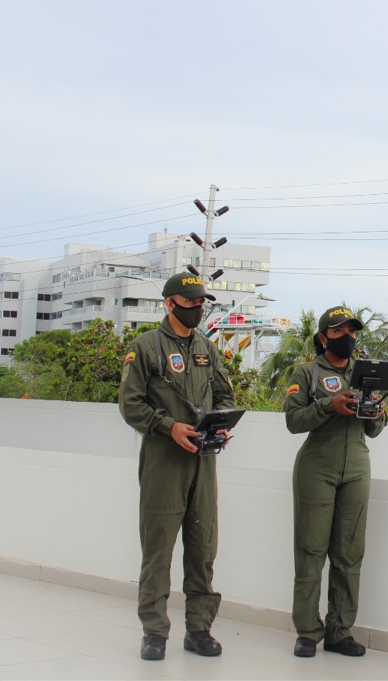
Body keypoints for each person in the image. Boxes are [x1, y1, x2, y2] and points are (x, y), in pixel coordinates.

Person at [119, 272, 235, 661]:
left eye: (202, 302)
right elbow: (131, 405)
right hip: (164, 461)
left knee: (203, 547)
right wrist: (169, 427)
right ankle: (154, 631)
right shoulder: (146, 346)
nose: (198, 308)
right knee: (159, 549)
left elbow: (223, 394)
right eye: (190, 303)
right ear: (169, 304)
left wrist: (220, 424)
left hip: (203, 461)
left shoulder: (206, 346)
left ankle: (199, 629)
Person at [285, 306, 388, 658]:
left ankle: (339, 631)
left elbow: (374, 431)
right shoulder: (306, 372)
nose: (348, 337)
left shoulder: (366, 374)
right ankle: (307, 632)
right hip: (317, 467)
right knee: (311, 551)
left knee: (349, 553)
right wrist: (330, 405)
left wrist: (376, 411)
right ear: (322, 338)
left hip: (357, 467)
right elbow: (294, 421)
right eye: (339, 331)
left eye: (352, 331)